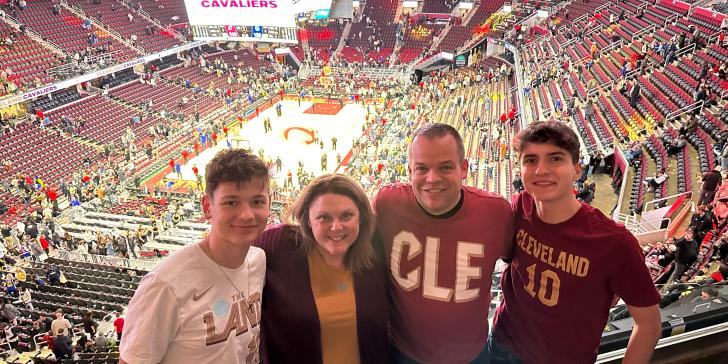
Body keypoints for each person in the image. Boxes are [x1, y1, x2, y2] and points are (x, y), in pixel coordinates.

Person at [490, 121, 661, 364]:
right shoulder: (520, 205)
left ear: (577, 170)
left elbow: (649, 326)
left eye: (555, 159)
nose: (540, 170)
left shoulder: (615, 243)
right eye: (530, 160)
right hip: (501, 343)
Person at [372, 123, 514, 363]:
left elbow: (517, 263)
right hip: (401, 352)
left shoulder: (496, 213)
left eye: (445, 167)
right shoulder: (386, 204)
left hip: (471, 356)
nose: (432, 178)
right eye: (421, 168)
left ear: (464, 168)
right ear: (409, 171)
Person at [120, 149, 271, 364]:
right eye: (231, 202)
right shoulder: (165, 286)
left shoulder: (259, 261)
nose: (246, 214)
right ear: (207, 207)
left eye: (257, 202)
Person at [253, 174, 389, 363]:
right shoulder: (278, 245)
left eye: (347, 215)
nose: (336, 227)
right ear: (307, 220)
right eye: (324, 217)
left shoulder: (376, 249)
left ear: (361, 218)